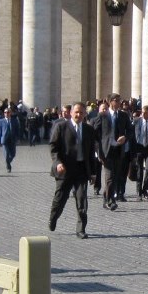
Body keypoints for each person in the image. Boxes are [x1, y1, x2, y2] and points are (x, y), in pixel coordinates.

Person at [49, 102, 95, 239]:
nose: (78, 115)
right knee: (60, 198)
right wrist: (57, 162)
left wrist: (93, 173)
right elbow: (53, 147)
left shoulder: (89, 129)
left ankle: (81, 228)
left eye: (81, 112)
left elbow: (91, 152)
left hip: (81, 170)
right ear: (71, 113)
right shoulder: (61, 127)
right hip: (65, 169)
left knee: (82, 199)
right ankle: (53, 217)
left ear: (85, 114)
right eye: (76, 112)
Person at [95, 95, 132, 210]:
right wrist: (98, 151)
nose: (119, 102)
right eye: (116, 101)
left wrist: (125, 137)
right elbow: (95, 133)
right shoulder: (102, 116)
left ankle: (106, 198)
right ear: (110, 102)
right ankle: (110, 201)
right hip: (106, 150)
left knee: (115, 176)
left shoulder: (123, 115)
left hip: (118, 149)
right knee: (110, 176)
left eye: (120, 100)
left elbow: (130, 130)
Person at [132, 105, 148, 201]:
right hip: (138, 148)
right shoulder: (136, 121)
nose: (143, 114)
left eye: (145, 113)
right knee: (139, 171)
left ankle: (145, 189)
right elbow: (131, 133)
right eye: (142, 112)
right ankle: (139, 191)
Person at [0, 108, 19, 172]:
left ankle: (8, 162)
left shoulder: (15, 120)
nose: (6, 114)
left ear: (10, 113)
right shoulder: (1, 121)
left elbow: (17, 130)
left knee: (13, 154)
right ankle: (8, 167)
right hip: (4, 140)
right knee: (6, 154)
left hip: (12, 139)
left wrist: (18, 139)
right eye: (5, 112)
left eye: (8, 112)